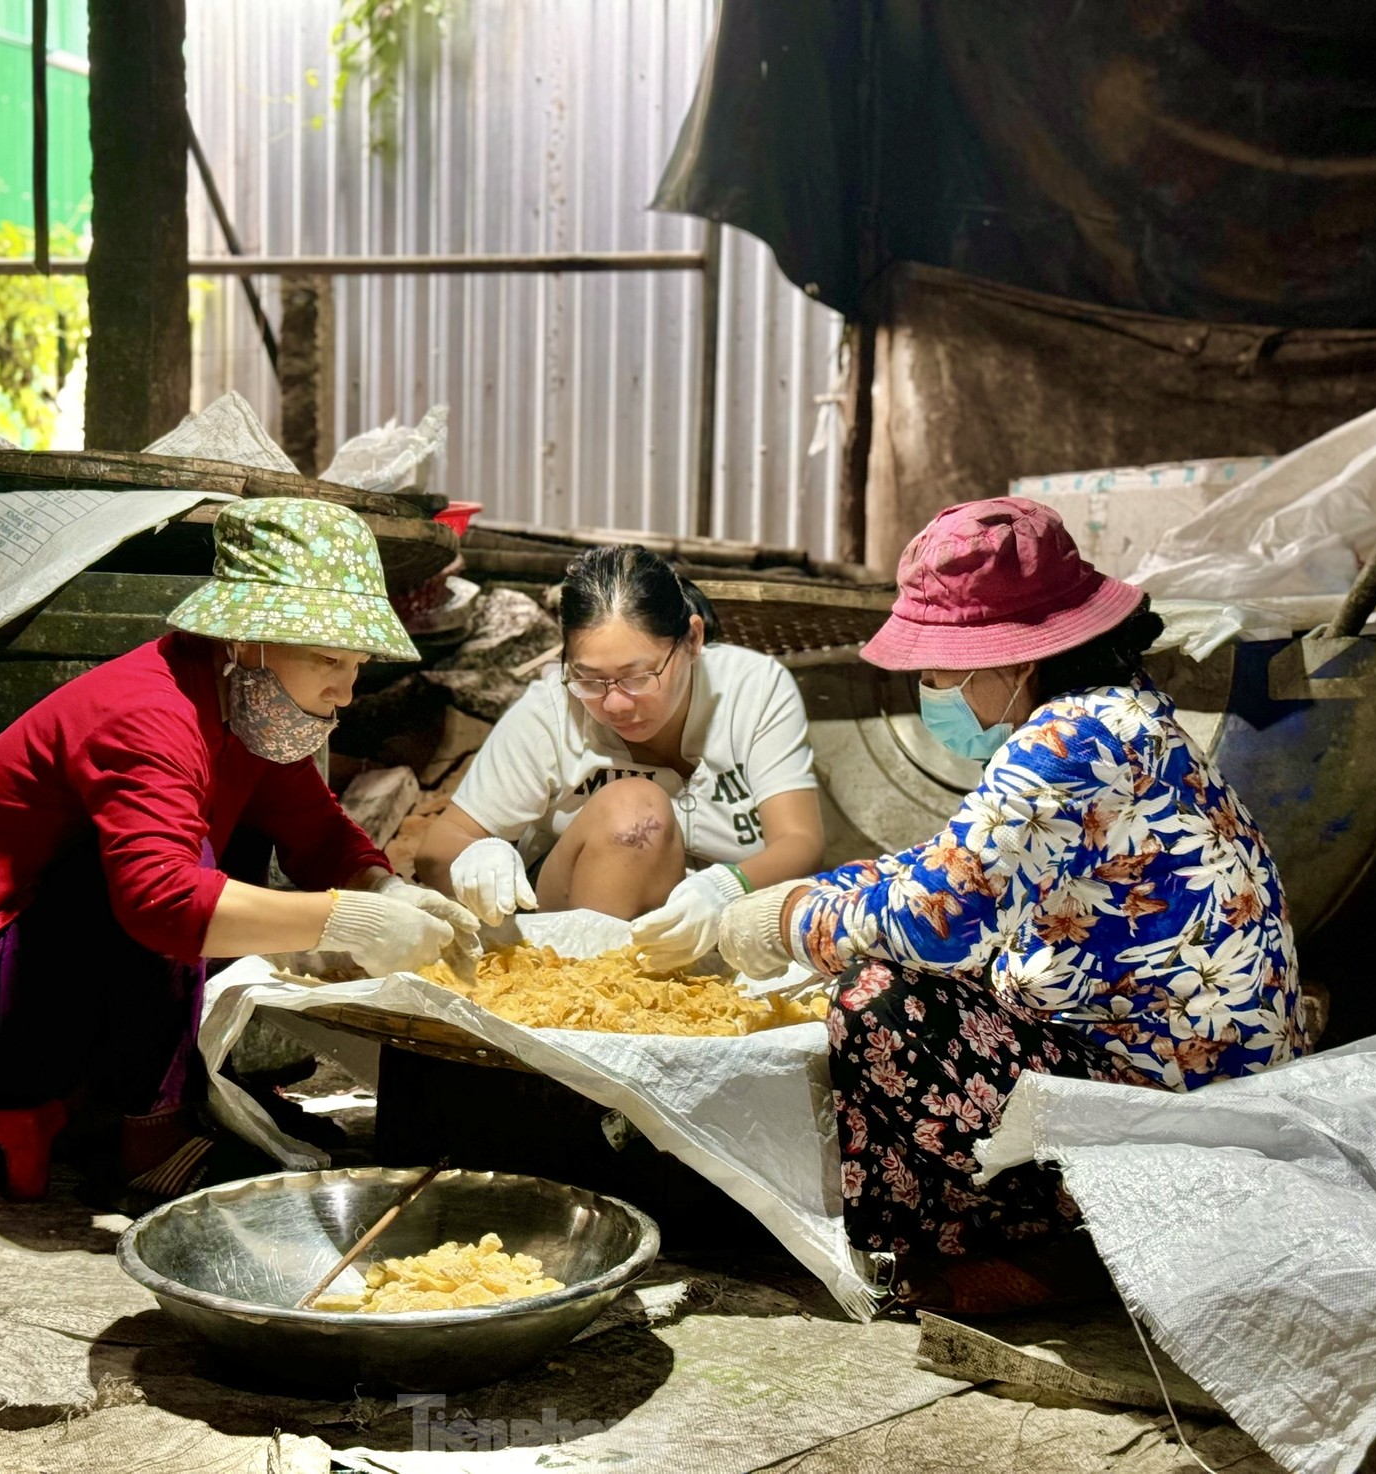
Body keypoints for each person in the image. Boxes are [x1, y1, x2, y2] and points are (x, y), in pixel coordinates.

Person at [719, 497, 1307, 1310]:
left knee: (881, 1005)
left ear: (1016, 660)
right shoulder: (1123, 716)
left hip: (1164, 1124)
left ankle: (1028, 1253)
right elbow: (949, 866)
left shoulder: (1062, 745)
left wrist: (786, 922)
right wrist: (822, 890)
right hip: (1196, 1086)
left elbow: (937, 920)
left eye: (937, 671)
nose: (929, 691)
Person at [0, 498, 479, 1195]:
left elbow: (318, 832)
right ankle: (152, 1133)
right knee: (169, 873)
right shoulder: (147, 714)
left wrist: (389, 890)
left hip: (30, 994)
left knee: (231, 838)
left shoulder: (243, 707)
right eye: (327, 660)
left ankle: (199, 1090)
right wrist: (345, 919)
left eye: (356, 663)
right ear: (246, 641)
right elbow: (160, 904)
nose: (346, 689)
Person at [415, 544, 824, 971]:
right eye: (589, 679)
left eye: (637, 678)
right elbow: (437, 850)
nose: (614, 705)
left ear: (693, 640)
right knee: (634, 815)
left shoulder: (753, 689)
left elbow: (799, 842)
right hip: (575, 931)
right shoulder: (550, 712)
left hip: (727, 932)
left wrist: (725, 887)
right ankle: (595, 995)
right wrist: (482, 859)